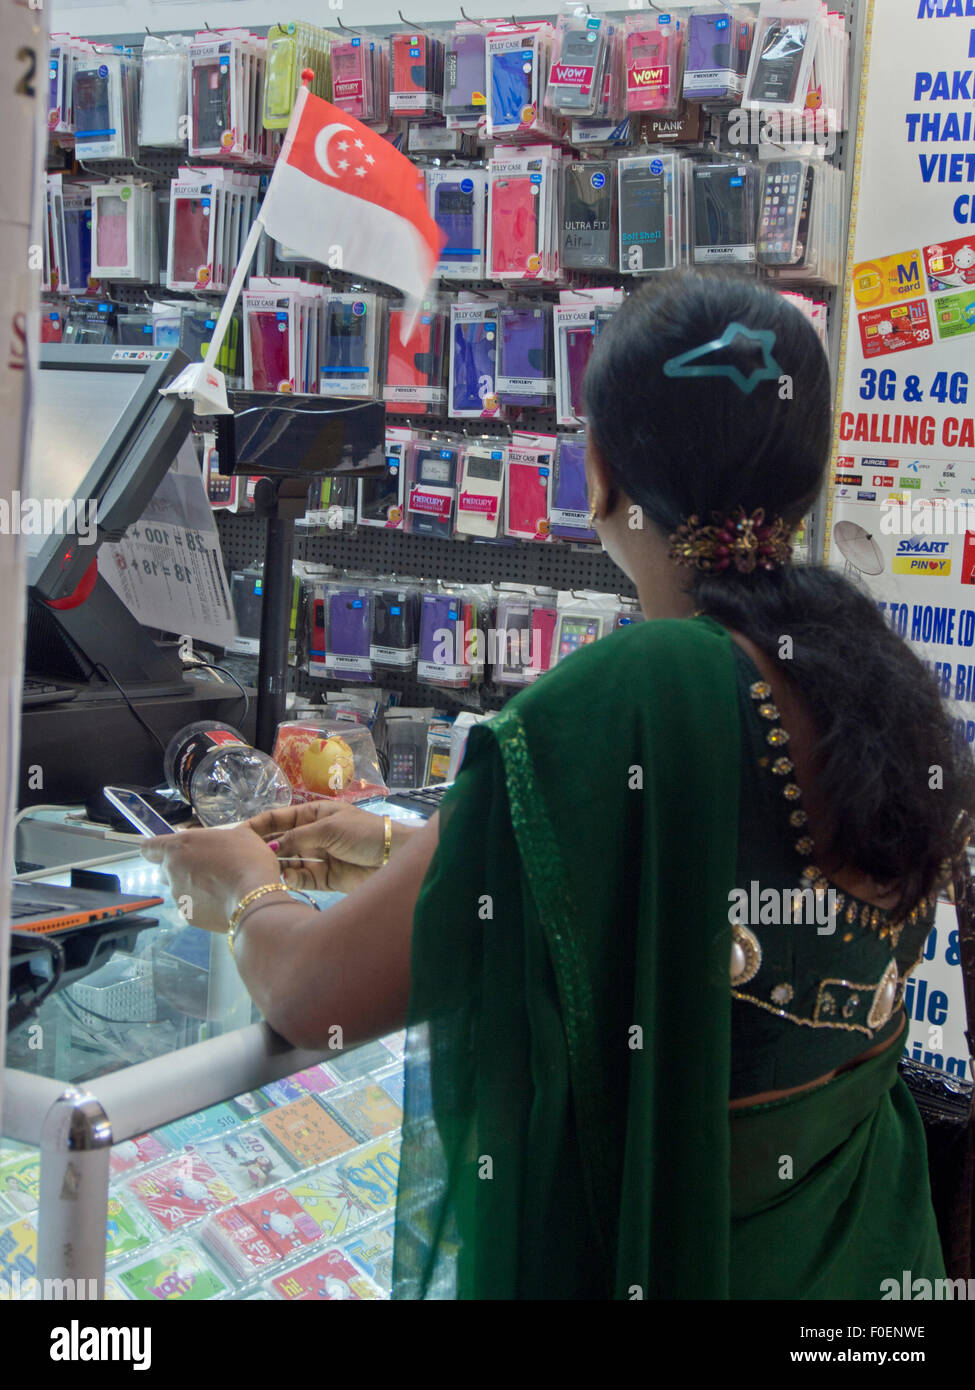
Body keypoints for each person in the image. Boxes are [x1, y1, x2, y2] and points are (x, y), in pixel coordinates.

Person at [144, 272, 973, 1300]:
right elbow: (688, 915)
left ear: (600, 476)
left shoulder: (640, 687)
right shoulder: (862, 676)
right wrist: (418, 852)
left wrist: (242, 886)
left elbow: (319, 1002)